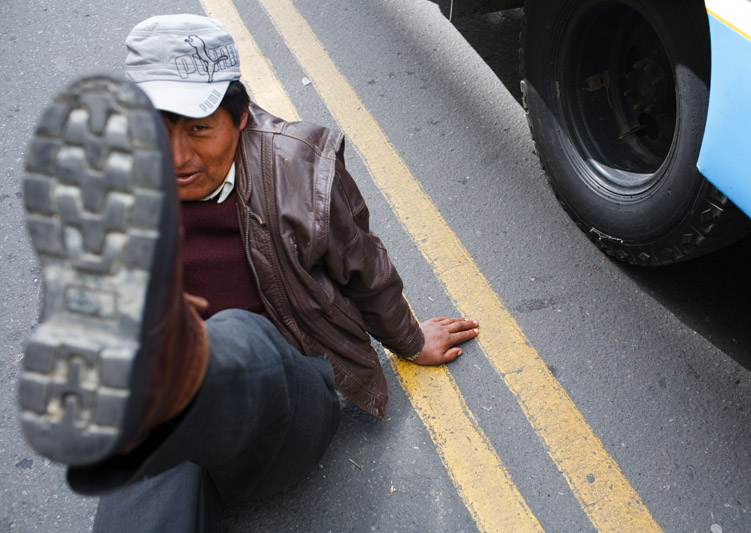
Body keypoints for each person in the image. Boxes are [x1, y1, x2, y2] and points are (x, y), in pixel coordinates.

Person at [18, 14, 478, 531]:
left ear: (239, 118)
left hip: (283, 406)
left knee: (224, 340)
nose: (177, 157)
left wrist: (411, 340)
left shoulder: (299, 166)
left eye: (198, 129)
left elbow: (362, 265)